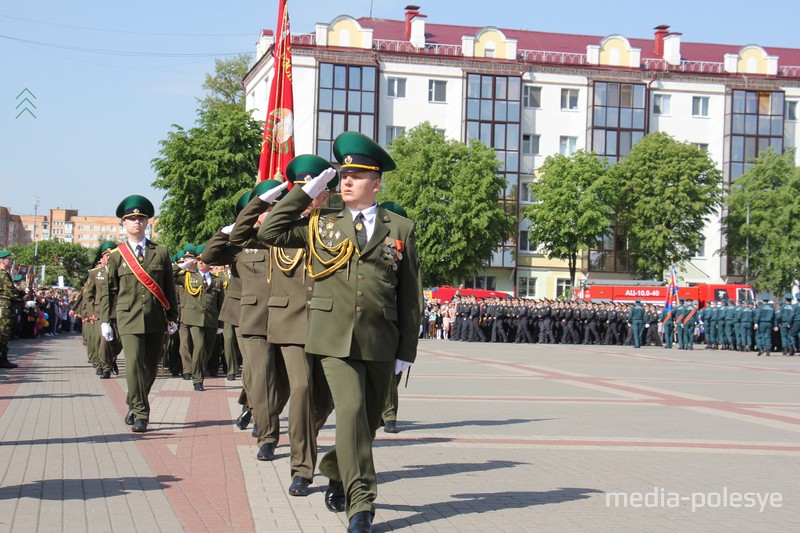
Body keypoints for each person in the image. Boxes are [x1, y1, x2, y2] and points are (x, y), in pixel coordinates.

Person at [260, 131, 422, 533]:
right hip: (334, 339)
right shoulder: (321, 222)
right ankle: (362, 504)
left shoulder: (399, 227)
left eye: (357, 175)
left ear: (377, 181)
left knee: (366, 424)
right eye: (342, 175)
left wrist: (408, 349)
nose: (346, 181)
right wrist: (306, 192)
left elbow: (410, 295)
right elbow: (269, 231)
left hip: (381, 340)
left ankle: (335, 467)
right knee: (348, 414)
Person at [100, 195, 179, 433]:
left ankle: (133, 404)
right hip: (128, 317)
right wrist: (105, 320)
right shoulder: (117, 255)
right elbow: (109, 291)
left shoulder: (161, 252)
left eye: (141, 218)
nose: (137, 222)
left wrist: (173, 316)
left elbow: (168, 287)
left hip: (155, 317)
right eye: (132, 218)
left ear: (148, 223)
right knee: (133, 365)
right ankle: (142, 413)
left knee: (151, 367)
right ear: (123, 223)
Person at [173, 245, 224, 391]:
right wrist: (184, 264)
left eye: (205, 260)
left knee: (207, 351)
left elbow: (221, 304)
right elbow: (169, 273)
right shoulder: (188, 276)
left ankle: (198, 372)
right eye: (199, 260)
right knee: (199, 347)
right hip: (194, 319)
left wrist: (220, 324)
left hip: (211, 320)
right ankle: (197, 379)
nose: (202, 263)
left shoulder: (217, 281)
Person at [0, 251, 22, 369]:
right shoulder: (3, 274)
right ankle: (2, 359)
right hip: (4, 305)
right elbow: (9, 291)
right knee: (4, 333)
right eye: (8, 259)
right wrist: (20, 297)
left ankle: (3, 358)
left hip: (5, 305)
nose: (11, 261)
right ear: (2, 260)